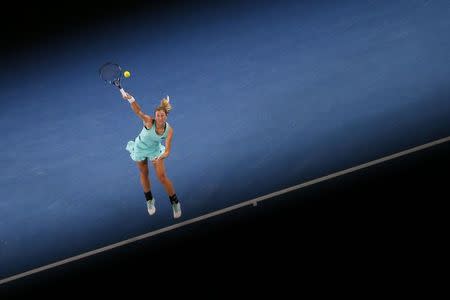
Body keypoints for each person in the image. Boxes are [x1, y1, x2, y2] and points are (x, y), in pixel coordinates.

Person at [121, 90, 181, 219]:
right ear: (155, 116)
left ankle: (175, 202)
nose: (160, 118)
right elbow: (138, 111)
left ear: (166, 116)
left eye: (162, 116)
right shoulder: (149, 121)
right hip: (140, 148)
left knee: (162, 177)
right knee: (144, 173)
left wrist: (160, 157)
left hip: (155, 150)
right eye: (158, 115)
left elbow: (167, 151)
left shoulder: (169, 131)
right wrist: (131, 99)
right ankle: (149, 200)